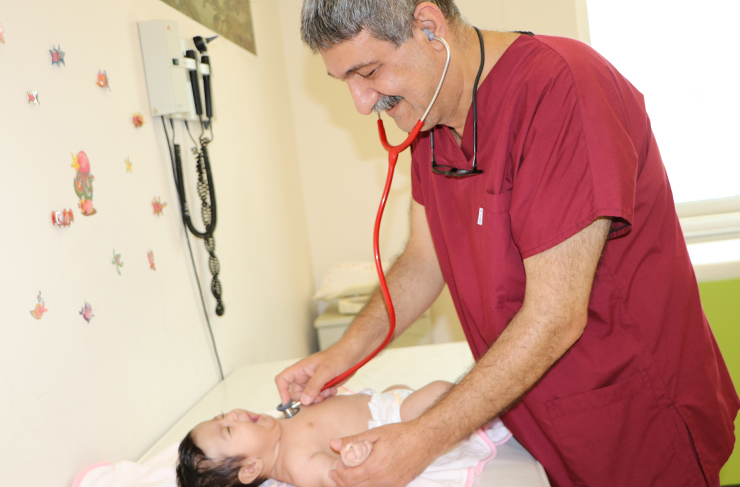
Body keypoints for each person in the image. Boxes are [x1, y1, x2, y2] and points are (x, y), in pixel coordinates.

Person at [276, 1, 740, 487]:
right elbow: (422, 261)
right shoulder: (429, 121)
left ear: (428, 27)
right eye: (345, 81)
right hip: (533, 419)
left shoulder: (564, 90)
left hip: (631, 416)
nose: (361, 102)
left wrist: (420, 440)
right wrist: (342, 354)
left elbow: (555, 316)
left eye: (369, 72)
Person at [175, 380, 507, 487]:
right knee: (441, 393)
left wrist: (317, 394)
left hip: (379, 399)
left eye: (221, 416)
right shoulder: (297, 465)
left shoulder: (278, 424)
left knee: (420, 391)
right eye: (228, 428)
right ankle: (501, 413)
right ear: (250, 468)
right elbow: (337, 476)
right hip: (392, 422)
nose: (233, 414)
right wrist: (352, 458)